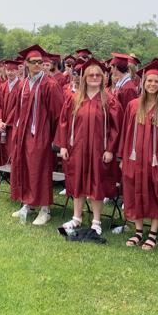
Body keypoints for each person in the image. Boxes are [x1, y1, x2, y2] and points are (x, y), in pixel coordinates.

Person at [54, 58, 121, 235]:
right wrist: (63, 146)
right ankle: (76, 218)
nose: (94, 77)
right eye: (91, 74)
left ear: (103, 77)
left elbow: (116, 128)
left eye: (98, 74)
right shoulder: (74, 98)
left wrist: (110, 149)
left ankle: (96, 221)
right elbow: (63, 123)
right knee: (78, 180)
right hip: (77, 148)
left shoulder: (110, 100)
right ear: (84, 77)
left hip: (100, 150)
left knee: (97, 183)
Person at [118, 61, 158, 249]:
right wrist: (122, 158)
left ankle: (153, 234)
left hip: (155, 161)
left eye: (155, 82)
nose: (152, 84)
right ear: (143, 83)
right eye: (149, 81)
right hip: (134, 159)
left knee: (156, 194)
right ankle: (138, 231)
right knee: (134, 193)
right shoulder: (133, 105)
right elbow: (125, 133)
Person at [11, 45, 64, 225]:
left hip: (41, 135)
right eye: (33, 62)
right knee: (25, 168)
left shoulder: (50, 84)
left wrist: (56, 139)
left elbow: (58, 114)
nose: (37, 65)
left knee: (40, 170)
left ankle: (45, 209)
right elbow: (17, 110)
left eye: (40, 62)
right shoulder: (23, 83)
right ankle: (28, 204)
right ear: (26, 64)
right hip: (24, 133)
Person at [0, 60, 21, 170]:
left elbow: (18, 107)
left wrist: (7, 122)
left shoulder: (21, 86)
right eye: (8, 70)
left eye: (12, 70)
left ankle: (13, 170)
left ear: (17, 71)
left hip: (14, 124)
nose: (10, 73)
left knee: (11, 147)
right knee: (0, 145)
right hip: (2, 123)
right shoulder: (2, 86)